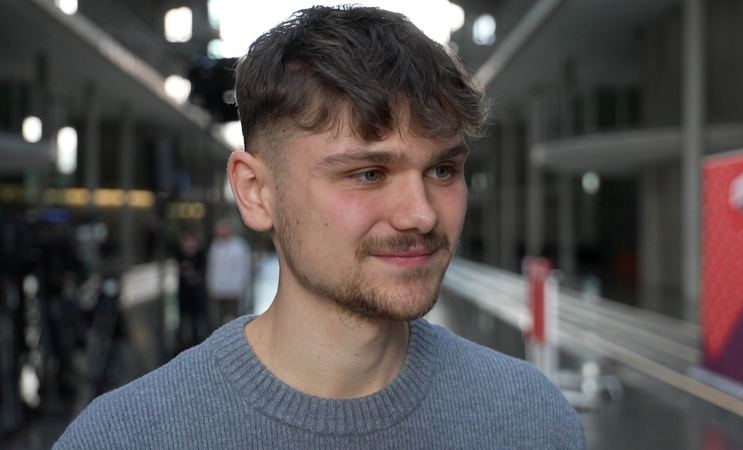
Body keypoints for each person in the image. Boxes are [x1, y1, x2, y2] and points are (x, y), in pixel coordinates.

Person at [55, 6, 587, 449]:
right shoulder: (126, 437)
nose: (421, 214)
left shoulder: (531, 421)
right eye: (369, 173)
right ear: (255, 192)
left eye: (443, 170)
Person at [206, 218, 251, 328]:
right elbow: (212, 268)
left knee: (235, 319)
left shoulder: (239, 246)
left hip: (233, 291)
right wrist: (212, 287)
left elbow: (242, 269)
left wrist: (240, 288)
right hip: (219, 291)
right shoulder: (215, 246)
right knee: (219, 320)